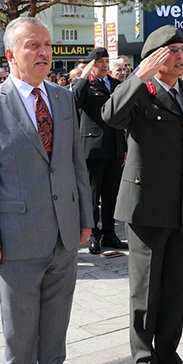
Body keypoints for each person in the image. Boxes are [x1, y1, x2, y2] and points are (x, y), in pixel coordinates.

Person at [0, 16, 92, 364]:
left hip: (64, 233)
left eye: (47, 44)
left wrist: (85, 219)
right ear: (10, 55)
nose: (43, 52)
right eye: (32, 45)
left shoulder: (62, 98)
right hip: (16, 240)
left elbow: (77, 163)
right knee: (19, 328)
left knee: (56, 319)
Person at [101, 25, 183, 364]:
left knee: (175, 286)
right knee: (146, 290)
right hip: (146, 207)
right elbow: (110, 115)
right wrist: (138, 75)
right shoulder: (140, 93)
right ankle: (144, 361)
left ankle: (168, 355)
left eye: (182, 49)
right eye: (172, 51)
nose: (180, 56)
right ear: (154, 58)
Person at [72, 47, 128, 254]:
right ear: (91, 65)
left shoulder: (115, 85)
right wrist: (84, 76)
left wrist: (124, 148)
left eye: (106, 61)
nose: (104, 65)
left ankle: (110, 234)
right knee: (93, 197)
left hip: (114, 148)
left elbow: (122, 117)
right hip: (93, 149)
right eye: (99, 62)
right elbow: (74, 100)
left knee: (111, 195)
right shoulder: (86, 85)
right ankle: (94, 235)